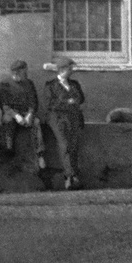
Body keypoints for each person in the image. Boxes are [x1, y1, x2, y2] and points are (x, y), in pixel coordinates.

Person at [44, 56, 86, 190]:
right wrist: (68, 102)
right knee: (65, 144)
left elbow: (81, 98)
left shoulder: (74, 84)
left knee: (73, 145)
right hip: (57, 119)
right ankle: (70, 177)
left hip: (73, 118)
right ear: (61, 70)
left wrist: (71, 102)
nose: (71, 70)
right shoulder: (50, 85)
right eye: (69, 68)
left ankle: (74, 176)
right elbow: (51, 104)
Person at [0, 60, 42, 177]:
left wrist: (29, 114)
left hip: (25, 113)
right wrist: (16, 116)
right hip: (11, 113)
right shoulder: (4, 84)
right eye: (24, 71)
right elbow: (4, 105)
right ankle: (8, 151)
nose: (26, 73)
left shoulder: (29, 83)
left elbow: (33, 102)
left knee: (36, 122)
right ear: (17, 72)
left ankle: (40, 153)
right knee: (8, 121)